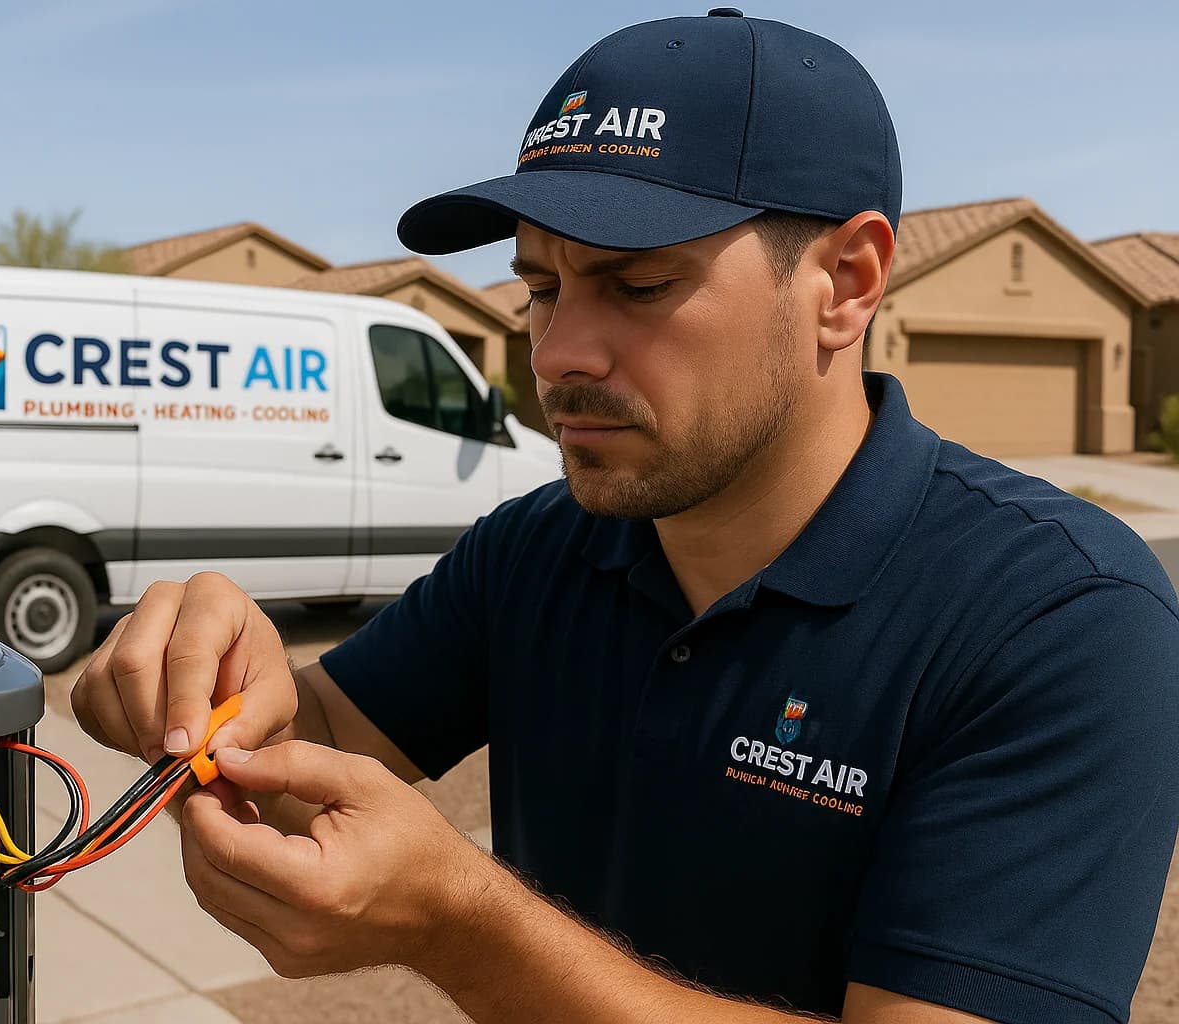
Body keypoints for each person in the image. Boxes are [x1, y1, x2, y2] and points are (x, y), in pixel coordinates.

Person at [72, 9, 1179, 1023]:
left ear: (845, 281)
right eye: (543, 288)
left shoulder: (1066, 619)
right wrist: (203, 678)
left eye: (639, 285)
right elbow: (305, 739)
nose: (555, 358)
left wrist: (463, 924)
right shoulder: (539, 549)